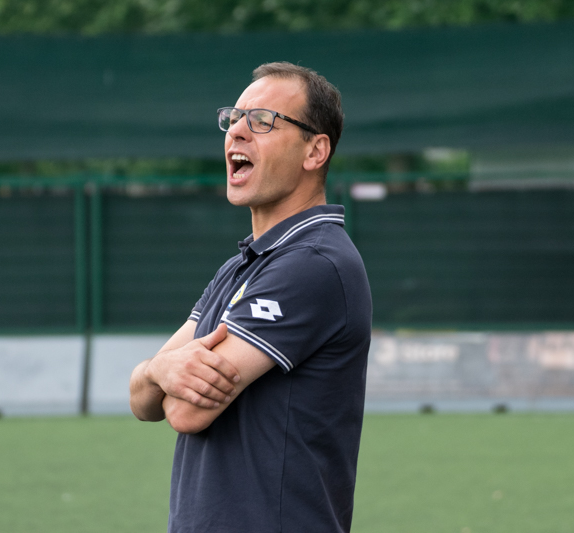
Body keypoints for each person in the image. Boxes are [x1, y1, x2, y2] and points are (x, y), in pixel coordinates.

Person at [129, 61, 372, 533]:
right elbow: (142, 401)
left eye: (262, 121)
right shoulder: (242, 266)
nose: (237, 131)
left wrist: (160, 374)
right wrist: (157, 371)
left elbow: (184, 410)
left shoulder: (314, 263)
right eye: (234, 118)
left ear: (315, 151)